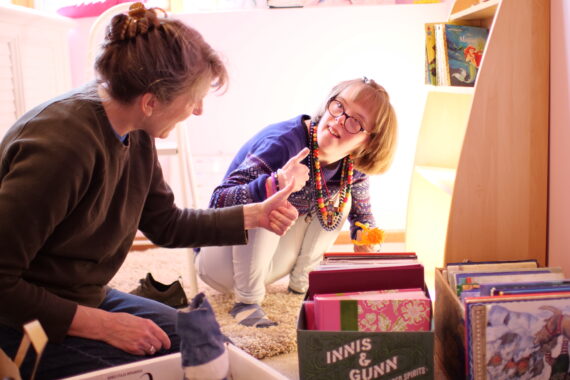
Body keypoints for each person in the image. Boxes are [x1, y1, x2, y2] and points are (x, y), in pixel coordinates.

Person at [0, 3, 298, 379]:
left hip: (82, 294)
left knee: (212, 350)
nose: (199, 110)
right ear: (151, 101)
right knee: (167, 372)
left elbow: (165, 223)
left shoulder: (134, 130)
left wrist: (255, 214)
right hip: (20, 320)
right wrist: (104, 326)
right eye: (194, 98)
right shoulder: (61, 147)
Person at [196, 77, 398, 327]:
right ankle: (247, 302)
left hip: (267, 262)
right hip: (219, 261)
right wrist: (275, 184)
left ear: (369, 141)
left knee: (339, 203)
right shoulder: (282, 143)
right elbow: (218, 201)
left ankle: (301, 285)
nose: (339, 120)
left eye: (356, 122)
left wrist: (368, 243)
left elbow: (363, 217)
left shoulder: (352, 167)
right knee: (275, 200)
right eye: (338, 106)